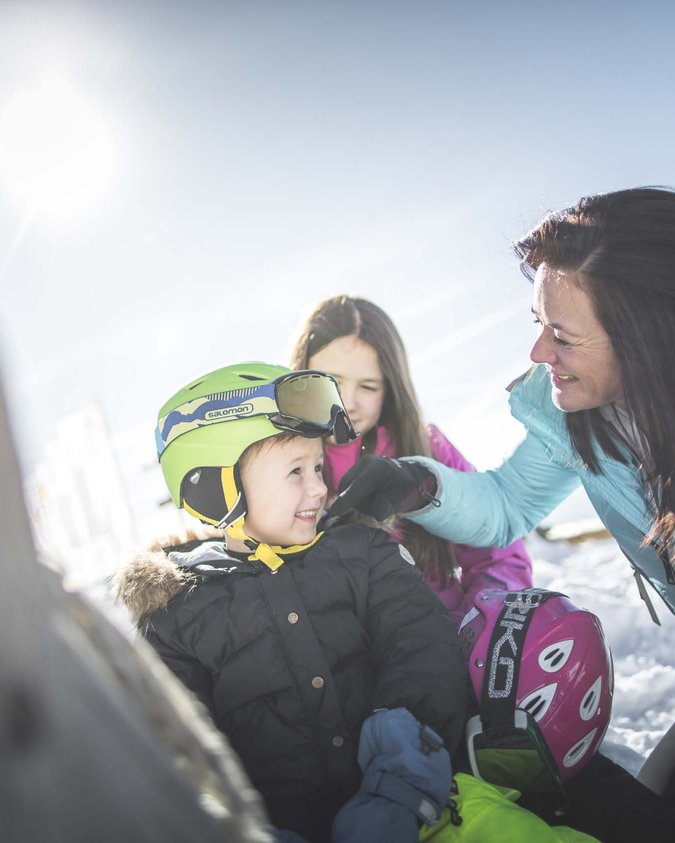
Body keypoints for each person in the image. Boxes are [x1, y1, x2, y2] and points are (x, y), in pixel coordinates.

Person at [327, 186, 675, 802]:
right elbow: (509, 507)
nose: (539, 353)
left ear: (649, 337)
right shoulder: (575, 412)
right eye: (538, 324)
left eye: (563, 336)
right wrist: (419, 482)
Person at [115, 361, 469, 843]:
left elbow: (423, 647)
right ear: (218, 487)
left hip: (429, 811)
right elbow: (184, 753)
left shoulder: (362, 552)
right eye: (295, 471)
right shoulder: (176, 615)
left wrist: (402, 778)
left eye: (319, 466)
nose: (320, 487)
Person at [289, 294, 532, 625]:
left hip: (437, 639)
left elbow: (496, 554)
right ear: (302, 374)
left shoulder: (425, 448)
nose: (347, 403)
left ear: (390, 388)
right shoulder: (273, 456)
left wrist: (476, 630)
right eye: (331, 381)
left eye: (369, 387)